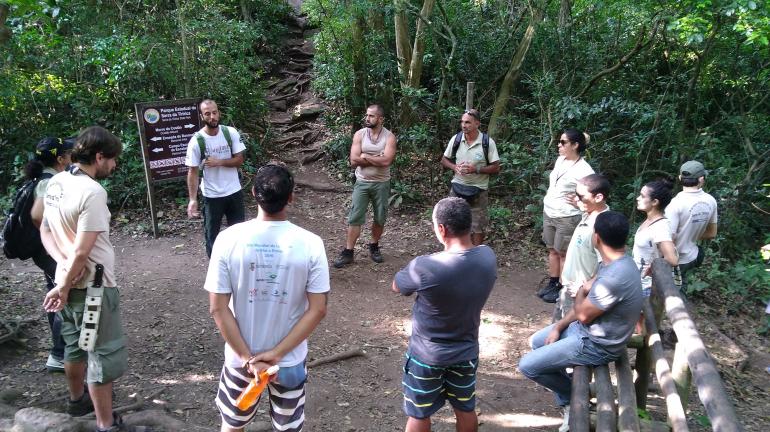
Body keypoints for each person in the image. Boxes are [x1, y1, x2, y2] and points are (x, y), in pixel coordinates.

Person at [206, 164, 329, 432]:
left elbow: (217, 308)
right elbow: (318, 309)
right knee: (288, 427)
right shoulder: (311, 243)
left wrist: (247, 357)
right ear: (291, 197)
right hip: (289, 360)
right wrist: (276, 354)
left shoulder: (228, 239)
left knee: (232, 422)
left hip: (240, 358)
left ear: (253, 193)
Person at [518, 211, 642, 432]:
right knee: (538, 341)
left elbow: (584, 311)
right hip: (586, 330)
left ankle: (572, 398)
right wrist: (558, 326)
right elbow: (586, 298)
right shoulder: (613, 262)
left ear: (596, 238)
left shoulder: (615, 277)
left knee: (528, 366)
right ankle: (571, 396)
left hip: (597, 345)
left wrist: (579, 295)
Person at [40, 126, 129, 432]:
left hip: (67, 282)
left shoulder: (56, 182)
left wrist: (61, 268)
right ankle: (106, 424)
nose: (114, 166)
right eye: (112, 159)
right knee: (100, 354)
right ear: (99, 156)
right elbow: (82, 249)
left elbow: (45, 230)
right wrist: (64, 282)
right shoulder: (92, 192)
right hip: (93, 288)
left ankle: (77, 400)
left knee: (75, 346)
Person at [392, 197, 497, 432]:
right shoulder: (488, 257)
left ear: (441, 229)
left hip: (427, 355)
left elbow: (398, 286)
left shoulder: (425, 266)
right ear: (469, 225)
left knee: (419, 412)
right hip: (466, 352)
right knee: (465, 407)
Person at [27, 137, 74, 372]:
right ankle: (58, 353)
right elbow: (38, 215)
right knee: (64, 295)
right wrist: (52, 240)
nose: (71, 156)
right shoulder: (51, 181)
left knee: (56, 292)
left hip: (45, 249)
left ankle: (60, 348)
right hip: (49, 250)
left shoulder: (44, 178)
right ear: (60, 159)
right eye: (68, 153)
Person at [333, 104, 397, 267]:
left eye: (371, 116)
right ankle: (348, 252)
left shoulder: (389, 137)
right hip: (362, 182)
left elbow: (387, 161)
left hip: (381, 183)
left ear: (380, 119)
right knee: (355, 217)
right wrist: (377, 157)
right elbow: (353, 161)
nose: (367, 118)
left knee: (380, 217)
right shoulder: (360, 134)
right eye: (367, 115)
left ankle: (374, 246)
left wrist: (365, 156)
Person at [537, 129, 594, 303]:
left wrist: (579, 202)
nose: (559, 145)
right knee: (552, 250)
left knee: (563, 253)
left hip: (567, 217)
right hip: (550, 212)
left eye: (563, 142)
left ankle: (562, 288)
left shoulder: (584, 170)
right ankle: (553, 282)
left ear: (575, 145)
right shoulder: (560, 160)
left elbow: (593, 194)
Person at [185, 99, 246, 257]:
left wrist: (219, 162)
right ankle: (215, 270)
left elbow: (239, 160)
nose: (212, 117)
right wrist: (193, 199)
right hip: (212, 196)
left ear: (219, 113)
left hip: (234, 192)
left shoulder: (230, 132)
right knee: (212, 237)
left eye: (214, 112)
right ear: (201, 116)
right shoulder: (197, 141)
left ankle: (238, 266)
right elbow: (192, 171)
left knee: (239, 234)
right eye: (207, 114)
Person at [552, 175, 611, 319]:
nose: (576, 198)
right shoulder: (588, 214)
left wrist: (586, 287)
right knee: (555, 330)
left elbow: (610, 264)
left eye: (580, 196)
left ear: (598, 197)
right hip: (568, 289)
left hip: (580, 295)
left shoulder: (602, 227)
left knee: (564, 333)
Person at [440, 109, 501, 246]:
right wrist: (455, 167)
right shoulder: (456, 139)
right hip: (457, 187)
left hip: (478, 190)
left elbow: (496, 167)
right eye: (462, 122)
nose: (463, 125)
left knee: (477, 226)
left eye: (467, 122)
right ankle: (455, 252)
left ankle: (476, 254)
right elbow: (444, 160)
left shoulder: (487, 142)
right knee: (452, 220)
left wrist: (476, 169)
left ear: (477, 124)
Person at [664, 161, 717, 291]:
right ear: (701, 179)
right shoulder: (711, 201)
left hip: (674, 260)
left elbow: (669, 238)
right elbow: (712, 233)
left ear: (680, 178)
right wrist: (690, 236)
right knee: (681, 287)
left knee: (668, 294)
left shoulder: (675, 204)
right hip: (692, 257)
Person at [632, 180, 678, 297]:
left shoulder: (661, 227)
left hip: (646, 286)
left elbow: (672, 259)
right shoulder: (650, 220)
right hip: (637, 281)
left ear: (655, 202)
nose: (638, 198)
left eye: (642, 196)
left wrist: (653, 267)